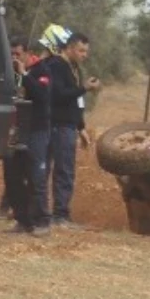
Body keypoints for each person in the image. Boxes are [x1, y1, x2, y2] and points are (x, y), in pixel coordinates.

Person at [46, 31, 101, 227]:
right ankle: (56, 215)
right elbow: (59, 95)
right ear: (69, 48)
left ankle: (60, 212)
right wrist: (84, 88)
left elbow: (75, 102)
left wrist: (81, 127)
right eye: (80, 50)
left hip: (69, 125)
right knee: (59, 170)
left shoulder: (75, 68)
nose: (84, 55)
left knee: (65, 169)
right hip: (56, 125)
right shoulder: (56, 66)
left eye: (86, 51)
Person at [21, 24, 72, 236]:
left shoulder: (47, 69)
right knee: (26, 174)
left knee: (39, 173)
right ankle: (26, 218)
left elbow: (43, 94)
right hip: (28, 126)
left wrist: (24, 76)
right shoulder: (39, 66)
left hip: (41, 127)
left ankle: (43, 219)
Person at [0, 35, 33, 221]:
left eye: (17, 54)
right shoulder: (5, 74)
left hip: (28, 128)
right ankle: (5, 206)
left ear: (26, 54)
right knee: (9, 168)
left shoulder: (32, 72)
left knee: (27, 171)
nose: (14, 58)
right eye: (10, 54)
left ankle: (24, 210)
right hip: (10, 127)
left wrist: (24, 73)